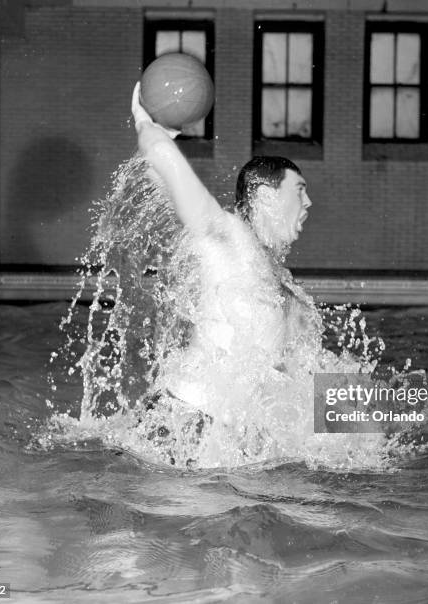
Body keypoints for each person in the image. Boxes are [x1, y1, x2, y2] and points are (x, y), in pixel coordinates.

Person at [131, 83, 320, 461]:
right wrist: (146, 125)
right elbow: (163, 162)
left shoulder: (270, 271)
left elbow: (291, 376)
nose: (309, 202)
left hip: (218, 436)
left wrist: (374, 420)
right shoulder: (227, 238)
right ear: (266, 197)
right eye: (299, 190)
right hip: (181, 429)